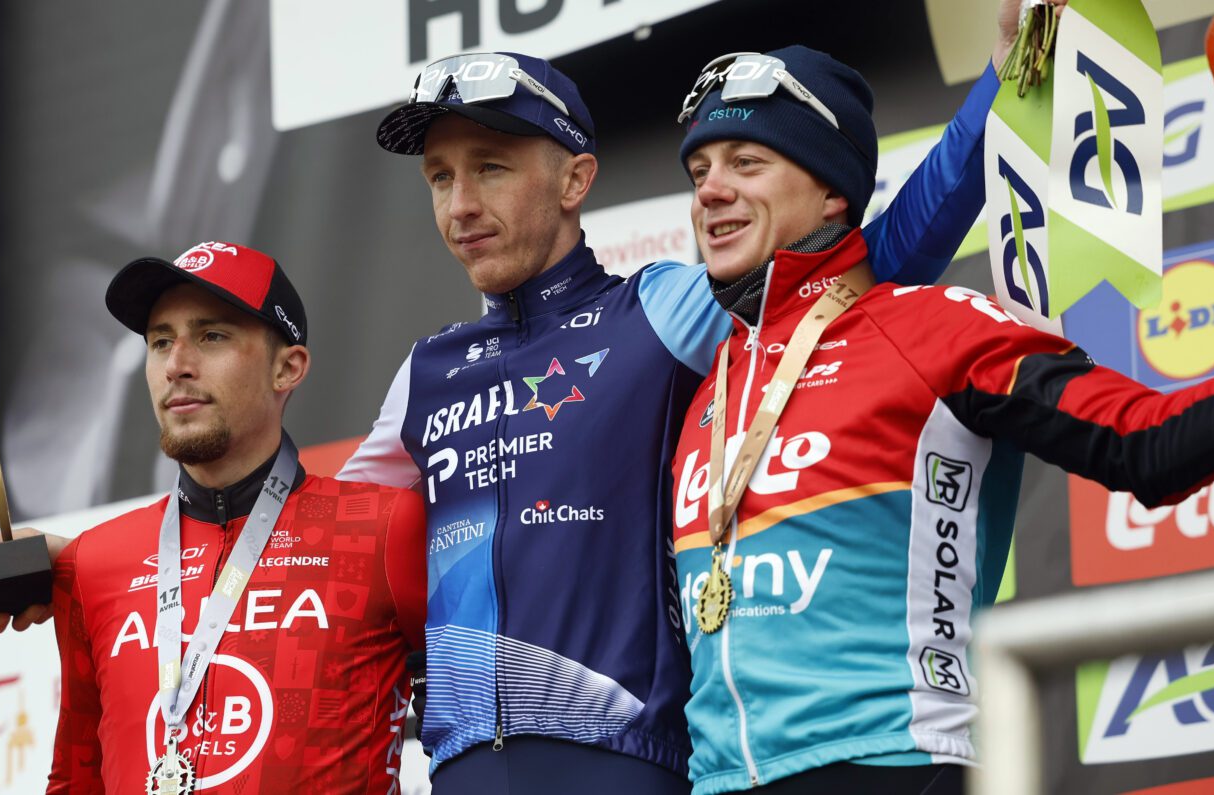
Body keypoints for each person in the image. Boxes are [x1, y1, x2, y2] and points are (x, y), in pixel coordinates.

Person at [337, 5, 1044, 788]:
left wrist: (998, 82)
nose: (460, 205)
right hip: (460, 768)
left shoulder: (660, 311)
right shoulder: (428, 370)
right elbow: (328, 551)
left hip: (630, 760)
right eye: (440, 177)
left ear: (575, 179)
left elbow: (872, 261)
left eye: (491, 168)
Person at [669, 44, 1214, 795]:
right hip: (717, 781)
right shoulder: (709, 388)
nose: (711, 191)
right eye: (699, 171)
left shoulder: (931, 329)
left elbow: (1149, 446)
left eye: (746, 163)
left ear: (833, 190)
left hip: (897, 760)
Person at [40, 241, 425, 793]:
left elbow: (477, 726)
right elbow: (75, 781)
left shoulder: (383, 526)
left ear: (287, 368)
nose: (176, 366)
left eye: (211, 336)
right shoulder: (94, 563)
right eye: (160, 342)